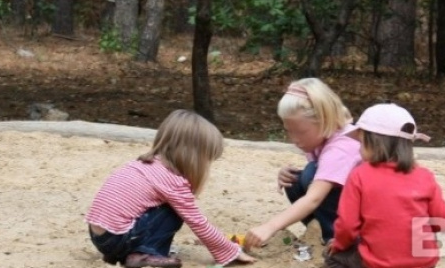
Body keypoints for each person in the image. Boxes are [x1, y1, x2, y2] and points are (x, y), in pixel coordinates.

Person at [85, 110, 256, 268]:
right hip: (119, 238)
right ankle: (144, 252)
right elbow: (198, 223)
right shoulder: (172, 181)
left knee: (163, 207)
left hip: (100, 237)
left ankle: (131, 252)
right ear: (195, 157)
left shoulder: (144, 164)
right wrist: (229, 251)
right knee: (174, 211)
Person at [324, 103, 445, 268]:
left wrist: (339, 245)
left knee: (333, 257)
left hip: (378, 263)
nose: (359, 150)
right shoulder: (425, 176)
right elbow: (444, 220)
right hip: (424, 263)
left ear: (374, 143)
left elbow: (347, 226)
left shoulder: (360, 175)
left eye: (362, 143)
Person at [244, 78, 361, 249]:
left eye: (301, 132)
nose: (295, 140)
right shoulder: (322, 138)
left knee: (311, 173)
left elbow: (314, 198)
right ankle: (319, 231)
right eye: (289, 131)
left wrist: (270, 226)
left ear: (324, 120)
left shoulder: (341, 147)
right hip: (350, 201)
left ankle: (337, 238)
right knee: (297, 179)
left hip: (366, 215)